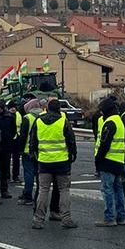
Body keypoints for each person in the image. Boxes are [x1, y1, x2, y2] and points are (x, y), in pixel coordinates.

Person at [28, 98, 78, 229]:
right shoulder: (63, 121)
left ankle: (38, 219)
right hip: (62, 161)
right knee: (64, 190)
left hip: (44, 161)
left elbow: (33, 141)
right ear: (59, 109)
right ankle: (66, 218)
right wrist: (73, 155)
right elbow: (71, 141)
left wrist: (34, 155)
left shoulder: (38, 121)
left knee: (43, 190)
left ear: (47, 108)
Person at [94, 97, 125, 226]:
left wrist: (98, 159)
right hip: (118, 160)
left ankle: (109, 217)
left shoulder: (109, 123)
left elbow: (104, 143)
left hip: (108, 160)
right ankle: (121, 216)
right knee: (118, 190)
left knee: (107, 190)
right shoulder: (119, 121)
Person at [16, 98, 44, 206]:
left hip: (28, 150)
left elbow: (23, 136)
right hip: (41, 150)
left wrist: (20, 149)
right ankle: (39, 195)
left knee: (28, 173)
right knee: (39, 174)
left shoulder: (27, 118)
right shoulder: (43, 117)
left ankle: (27, 195)